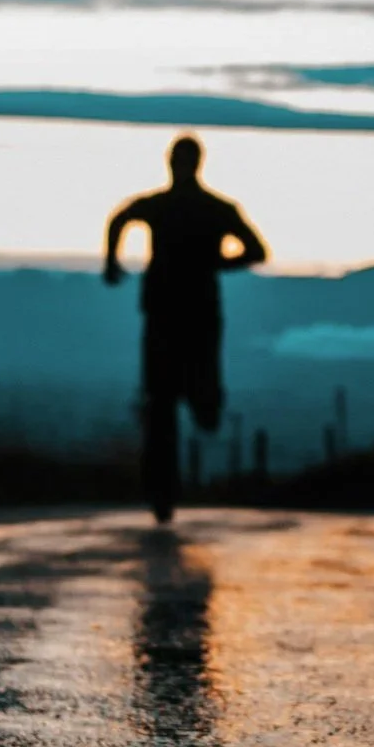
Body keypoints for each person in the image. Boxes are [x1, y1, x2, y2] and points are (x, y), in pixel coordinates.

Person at [104, 135, 268, 523]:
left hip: (176, 313)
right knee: (163, 401)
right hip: (185, 313)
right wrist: (215, 262)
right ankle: (162, 491)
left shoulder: (187, 207)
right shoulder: (214, 209)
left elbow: (120, 218)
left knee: (170, 398)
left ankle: (166, 480)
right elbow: (255, 251)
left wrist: (111, 262)